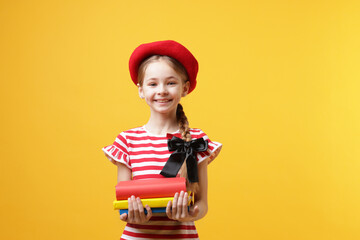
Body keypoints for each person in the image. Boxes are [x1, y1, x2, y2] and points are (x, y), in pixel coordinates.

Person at [102, 40, 222, 240]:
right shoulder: (127, 141)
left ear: (185, 88)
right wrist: (132, 215)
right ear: (141, 90)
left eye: (171, 82)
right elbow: (123, 204)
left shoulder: (196, 140)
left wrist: (189, 215)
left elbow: (202, 204)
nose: (162, 90)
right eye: (153, 83)